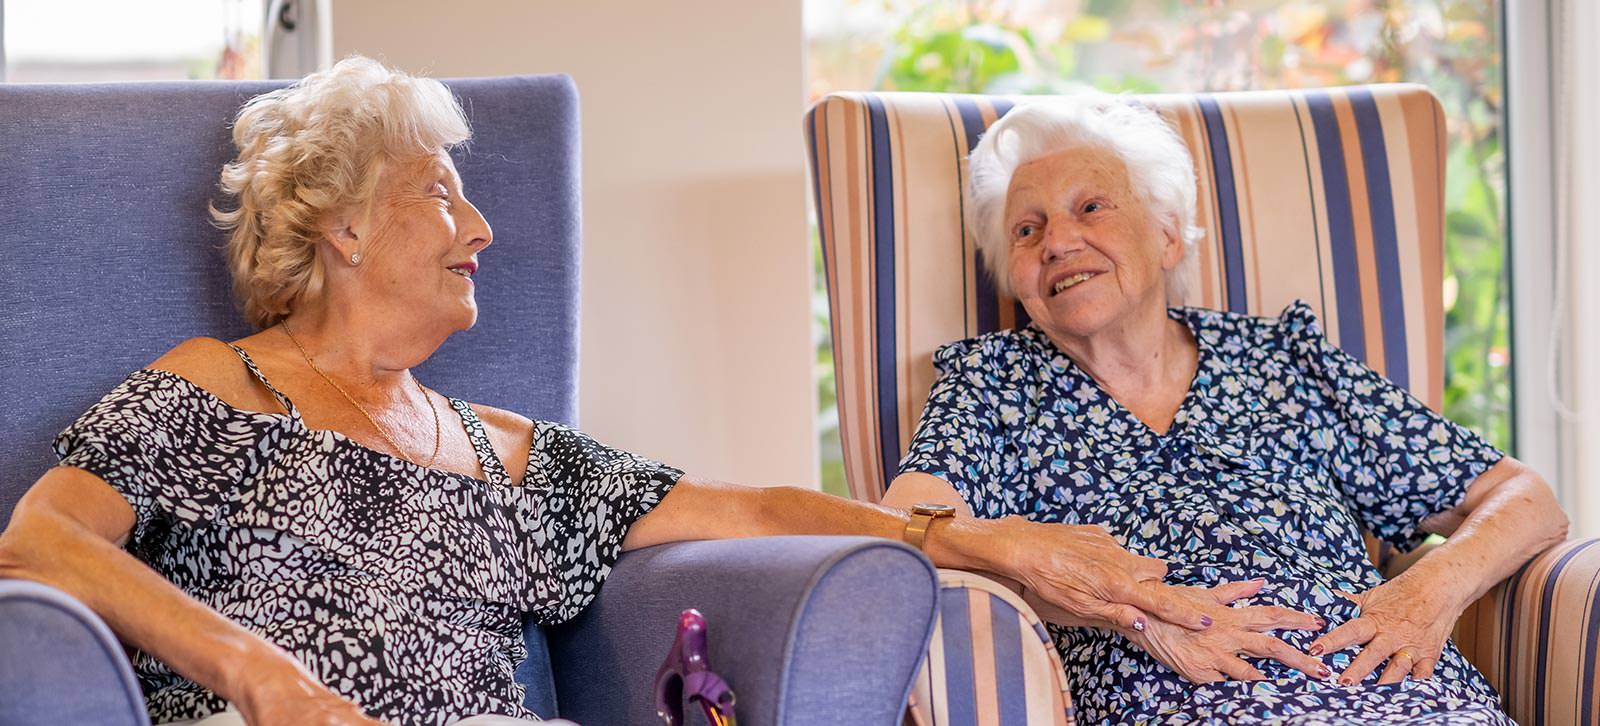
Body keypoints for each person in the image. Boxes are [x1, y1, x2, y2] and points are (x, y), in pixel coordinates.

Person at [0, 58, 1266, 726]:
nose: (482, 227)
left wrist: (992, 544)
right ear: (338, 224)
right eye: (442, 191)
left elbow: (759, 511)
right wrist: (259, 676)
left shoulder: (506, 452)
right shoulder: (215, 390)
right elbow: (37, 542)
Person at [880, 96, 1569, 723]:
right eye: (1026, 231)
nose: (1057, 241)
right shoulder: (992, 385)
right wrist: (1133, 612)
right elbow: (900, 529)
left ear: (1167, 237)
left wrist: (1429, 593)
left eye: (1091, 208)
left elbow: (1525, 497)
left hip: (1401, 692)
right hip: (1182, 698)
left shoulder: (1282, 360)